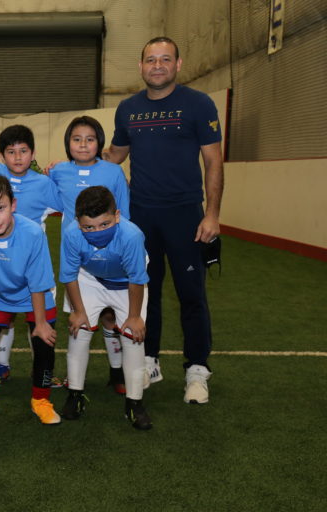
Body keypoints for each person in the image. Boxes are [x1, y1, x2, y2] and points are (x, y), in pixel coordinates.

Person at [105, 36, 223, 404]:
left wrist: (213, 215)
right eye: (151, 60)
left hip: (186, 215)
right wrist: (74, 166)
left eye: (165, 59)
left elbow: (214, 162)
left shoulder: (198, 104)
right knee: (144, 294)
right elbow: (114, 156)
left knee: (191, 296)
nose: (157, 65)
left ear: (178, 64)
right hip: (140, 219)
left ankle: (197, 371)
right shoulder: (127, 109)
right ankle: (149, 360)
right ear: (140, 67)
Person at [0, 124, 63, 386]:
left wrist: (64, 171)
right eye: (11, 152)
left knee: (41, 333)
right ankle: (0, 367)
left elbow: (71, 204)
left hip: (32, 264)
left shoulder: (44, 184)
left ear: (33, 153)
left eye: (23, 151)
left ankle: (41, 378)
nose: (17, 157)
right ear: (1, 155)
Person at [0, 175, 60, 425]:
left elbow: (37, 281)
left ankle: (41, 399)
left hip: (33, 295)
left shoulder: (32, 233)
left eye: (0, 208)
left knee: (44, 340)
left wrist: (40, 323)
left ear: (13, 205)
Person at [49, 116, 133, 395]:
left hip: (110, 258)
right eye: (76, 139)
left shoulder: (113, 172)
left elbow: (125, 214)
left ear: (99, 142)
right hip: (77, 262)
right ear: (67, 143)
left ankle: (117, 371)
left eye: (90, 139)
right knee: (81, 318)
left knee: (111, 316)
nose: (83, 144)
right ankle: (76, 385)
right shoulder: (58, 171)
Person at [59, 186, 152, 430]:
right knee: (79, 331)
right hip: (89, 278)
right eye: (88, 227)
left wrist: (133, 317)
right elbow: (69, 275)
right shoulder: (71, 234)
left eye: (104, 225)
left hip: (126, 284)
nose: (96, 232)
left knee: (133, 337)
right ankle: (75, 394)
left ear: (118, 216)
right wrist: (79, 312)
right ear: (78, 221)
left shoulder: (131, 236)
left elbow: (136, 279)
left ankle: (134, 403)